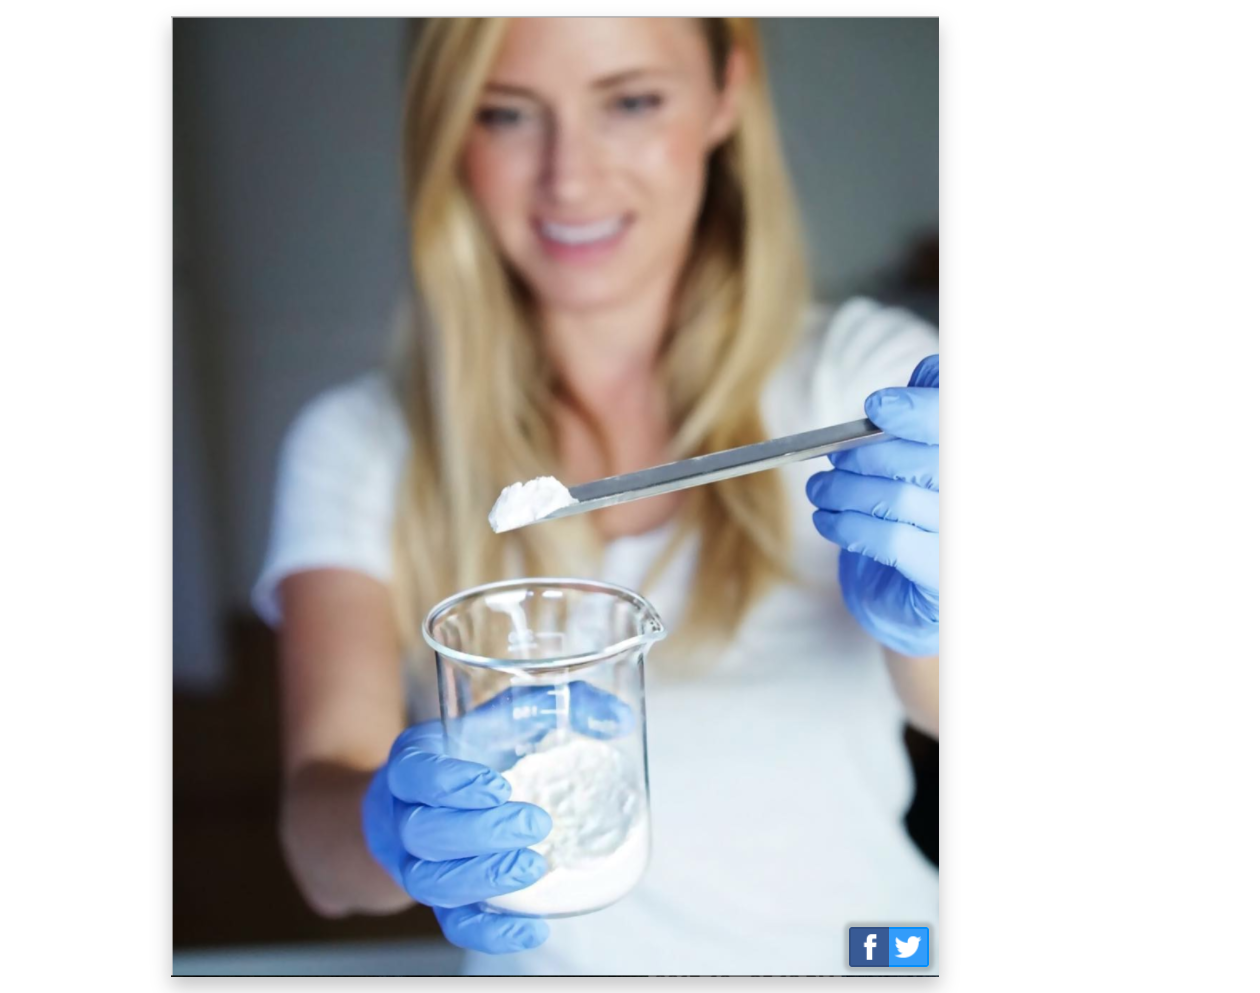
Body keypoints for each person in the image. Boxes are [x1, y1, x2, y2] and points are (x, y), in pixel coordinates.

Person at [253, 17, 939, 976]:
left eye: (630, 101)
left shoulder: (862, 384)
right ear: (448, 130)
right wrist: (387, 828)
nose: (569, 178)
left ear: (724, 97)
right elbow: (321, 854)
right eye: (506, 114)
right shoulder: (360, 445)